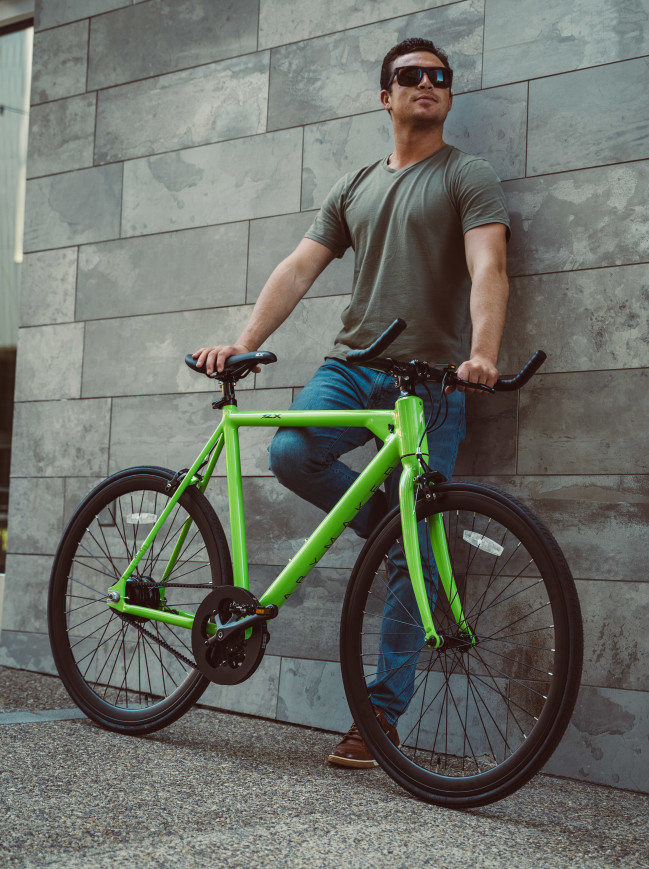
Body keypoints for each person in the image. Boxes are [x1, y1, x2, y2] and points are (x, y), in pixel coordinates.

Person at [194, 37, 511, 768]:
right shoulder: (356, 184)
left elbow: (487, 264)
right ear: (385, 95)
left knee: (415, 543)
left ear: (448, 96)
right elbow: (299, 267)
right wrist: (243, 341)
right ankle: (393, 534)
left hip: (431, 380)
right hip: (352, 365)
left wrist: (484, 353)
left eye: (438, 77)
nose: (425, 84)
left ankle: (379, 714)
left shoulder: (468, 175)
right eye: (409, 76)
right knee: (289, 450)